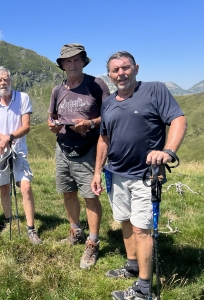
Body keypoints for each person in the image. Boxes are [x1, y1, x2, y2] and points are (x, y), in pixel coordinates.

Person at [91, 51, 187, 299]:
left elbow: (178, 119)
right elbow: (103, 139)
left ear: (136, 68)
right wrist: (97, 171)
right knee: (124, 220)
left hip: (146, 175)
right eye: (115, 70)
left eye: (125, 67)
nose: (121, 73)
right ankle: (133, 266)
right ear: (110, 75)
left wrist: (168, 151)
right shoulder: (109, 102)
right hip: (115, 173)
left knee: (142, 228)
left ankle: (144, 290)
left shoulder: (155, 90)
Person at [48, 43, 110, 269]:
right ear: (62, 65)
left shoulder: (96, 85)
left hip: (89, 149)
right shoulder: (58, 90)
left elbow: (111, 115)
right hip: (63, 147)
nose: (72, 64)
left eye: (76, 60)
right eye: (68, 61)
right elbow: (52, 117)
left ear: (83, 61)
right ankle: (75, 231)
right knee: (68, 193)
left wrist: (90, 123)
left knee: (90, 196)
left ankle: (93, 242)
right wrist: (53, 126)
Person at [0, 66, 42, 245]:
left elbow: (26, 126)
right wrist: (2, 139)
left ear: (11, 81)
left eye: (6, 79)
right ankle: (8, 219)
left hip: (18, 149)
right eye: (0, 80)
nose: (3, 83)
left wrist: (9, 138)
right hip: (0, 151)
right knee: (4, 188)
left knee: (25, 187)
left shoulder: (23, 98)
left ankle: (31, 229)